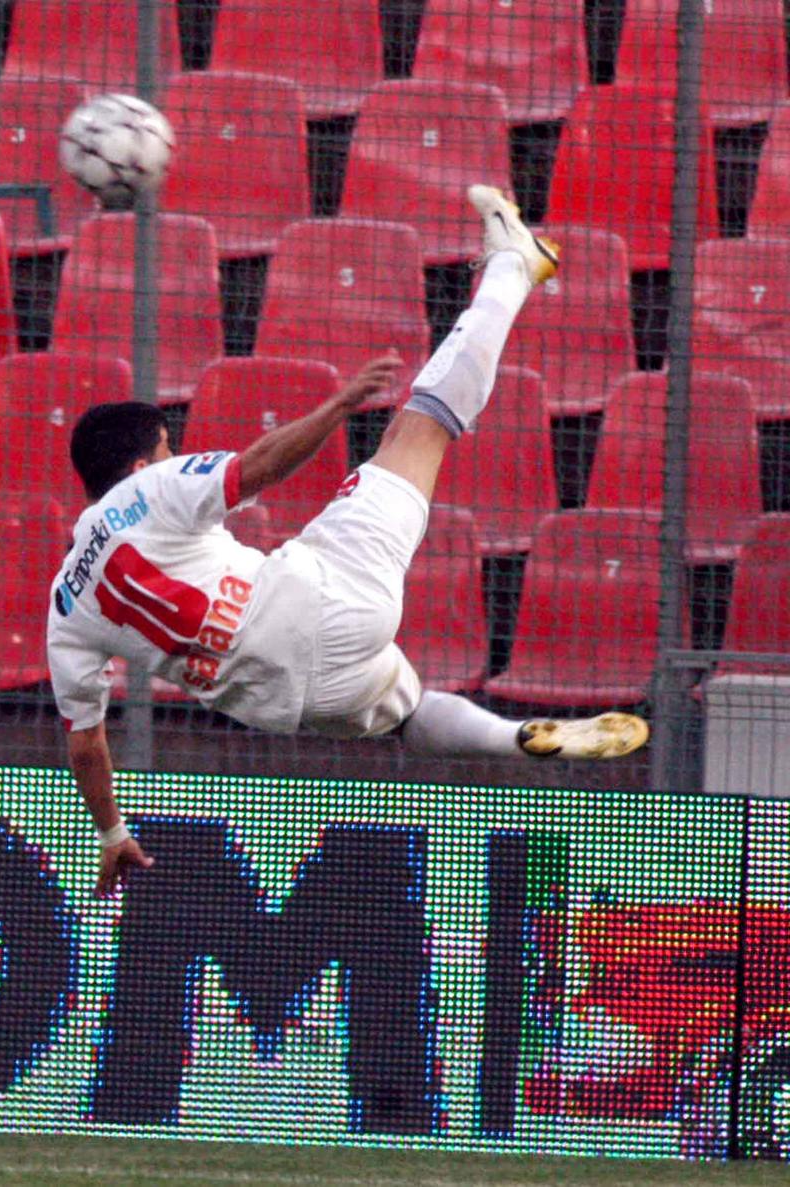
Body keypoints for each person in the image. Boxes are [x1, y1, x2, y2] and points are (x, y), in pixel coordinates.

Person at [47, 186, 652, 895]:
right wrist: (336, 407)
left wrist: (113, 833)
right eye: (166, 444)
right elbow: (257, 468)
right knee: (421, 424)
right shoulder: (148, 489)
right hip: (324, 601)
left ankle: (508, 739)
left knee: (409, 713)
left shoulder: (64, 607)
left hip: (295, 706)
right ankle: (515, 264)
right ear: (143, 458)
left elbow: (85, 742)